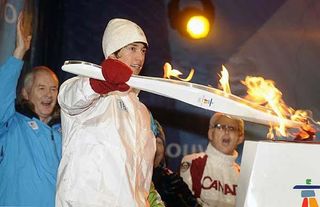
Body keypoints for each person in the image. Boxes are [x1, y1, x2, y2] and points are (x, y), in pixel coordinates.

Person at [56, 18, 156, 207]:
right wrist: (100, 82)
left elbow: (141, 174)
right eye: (132, 48)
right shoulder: (89, 91)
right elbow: (69, 99)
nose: (140, 58)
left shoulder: (141, 111)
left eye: (143, 51)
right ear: (113, 52)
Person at [0, 13, 61, 206]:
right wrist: (19, 52)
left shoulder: (65, 131)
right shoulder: (12, 124)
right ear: (26, 93)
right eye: (41, 88)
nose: (48, 95)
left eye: (53, 89)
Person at [180, 113, 245, 207]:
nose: (226, 131)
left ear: (240, 138)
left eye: (232, 128)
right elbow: (187, 201)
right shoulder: (194, 162)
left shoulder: (243, 175)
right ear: (211, 133)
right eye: (220, 127)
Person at [150, 119, 201, 207]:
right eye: (151, 141)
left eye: (159, 142)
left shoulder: (171, 179)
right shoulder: (130, 174)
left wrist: (177, 199)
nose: (155, 148)